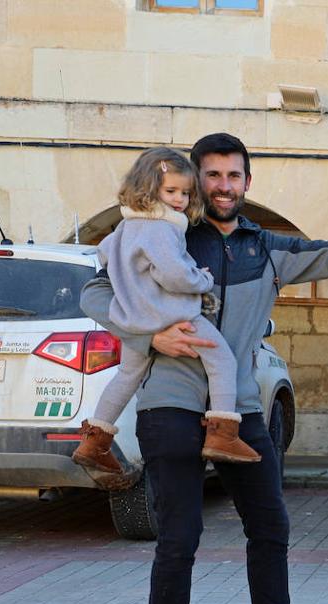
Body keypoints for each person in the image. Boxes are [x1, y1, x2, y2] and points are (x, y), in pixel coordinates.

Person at [80, 133, 328, 604]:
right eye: (212, 176)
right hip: (169, 403)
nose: (223, 186)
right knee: (179, 538)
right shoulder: (165, 230)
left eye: (234, 176)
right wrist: (147, 335)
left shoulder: (267, 248)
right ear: (195, 181)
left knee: (270, 531)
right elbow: (95, 289)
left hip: (241, 408)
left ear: (248, 182)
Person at [73, 148, 260, 485]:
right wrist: (201, 279)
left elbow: (104, 253)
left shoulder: (126, 226)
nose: (179, 200)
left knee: (127, 376)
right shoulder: (161, 228)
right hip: (172, 315)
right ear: (149, 189)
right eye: (171, 192)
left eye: (186, 193)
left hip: (133, 317)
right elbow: (174, 274)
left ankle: (95, 441)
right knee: (223, 361)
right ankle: (223, 433)